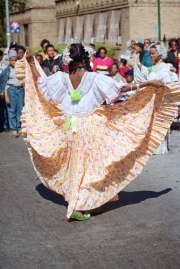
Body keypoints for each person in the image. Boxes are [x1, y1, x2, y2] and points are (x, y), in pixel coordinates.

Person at [19, 43, 180, 221]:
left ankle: (89, 202)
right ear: (86, 58)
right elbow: (121, 88)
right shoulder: (94, 78)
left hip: (70, 127)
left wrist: (32, 63)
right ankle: (77, 205)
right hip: (90, 127)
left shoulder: (62, 78)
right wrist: (148, 83)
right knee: (92, 166)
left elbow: (41, 84)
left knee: (77, 164)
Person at [137, 41, 179, 154]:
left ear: (159, 54)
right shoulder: (155, 66)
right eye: (150, 54)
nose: (151, 56)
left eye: (153, 54)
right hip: (152, 101)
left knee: (158, 124)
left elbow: (168, 84)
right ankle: (152, 146)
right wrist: (140, 65)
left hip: (159, 100)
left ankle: (159, 147)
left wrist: (156, 87)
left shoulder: (163, 68)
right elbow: (147, 71)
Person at [4, 50, 24, 138]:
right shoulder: (7, 70)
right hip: (11, 90)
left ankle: (19, 127)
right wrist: (6, 96)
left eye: (15, 60)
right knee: (12, 110)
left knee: (20, 110)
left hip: (20, 90)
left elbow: (24, 82)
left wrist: (25, 95)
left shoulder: (21, 69)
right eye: (12, 60)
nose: (14, 62)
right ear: (9, 61)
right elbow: (5, 84)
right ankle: (13, 129)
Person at [0, 50, 9, 132]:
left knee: (3, 109)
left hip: (1, 91)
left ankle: (4, 125)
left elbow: (5, 80)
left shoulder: (3, 67)